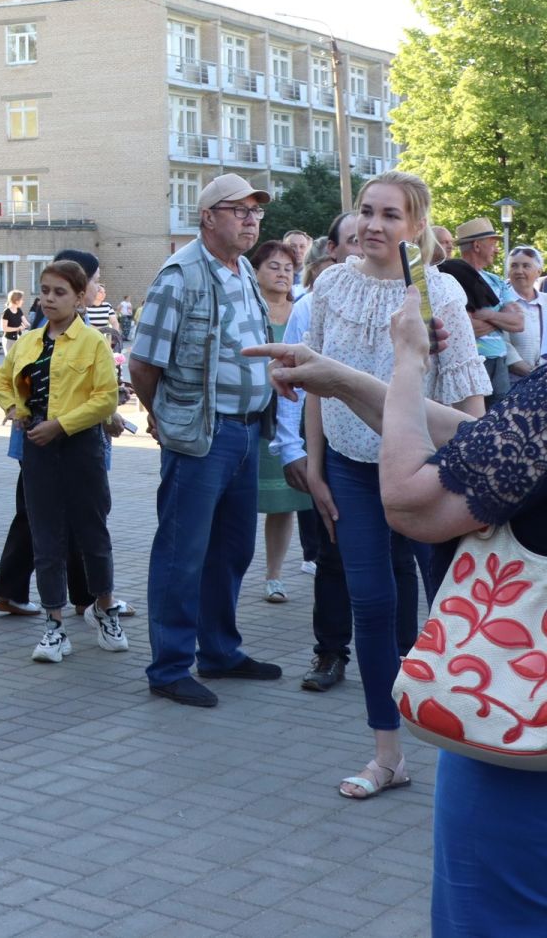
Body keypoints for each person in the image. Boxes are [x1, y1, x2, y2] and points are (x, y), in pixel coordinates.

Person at [251, 294, 547, 934]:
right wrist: (347, 381)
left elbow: (415, 502)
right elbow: (487, 450)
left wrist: (409, 359)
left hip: (523, 733)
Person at [300, 172, 487, 799]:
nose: (374, 226)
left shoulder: (436, 294)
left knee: (448, 606)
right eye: (366, 212)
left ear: (415, 226)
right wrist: (315, 468)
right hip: (353, 470)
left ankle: (476, 747)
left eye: (390, 216)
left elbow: (465, 387)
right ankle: (387, 754)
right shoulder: (331, 285)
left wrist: (487, 479)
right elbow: (317, 384)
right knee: (372, 606)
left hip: (424, 470)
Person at [129, 173, 284, 708]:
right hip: (203, 436)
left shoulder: (242, 269)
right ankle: (169, 667)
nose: (250, 219)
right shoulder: (180, 275)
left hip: (244, 433)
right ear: (207, 217)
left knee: (232, 550)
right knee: (182, 553)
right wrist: (163, 417)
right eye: (238, 210)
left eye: (255, 212)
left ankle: (219, 651)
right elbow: (144, 362)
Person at [0, 260, 125, 663]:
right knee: (46, 536)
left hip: (80, 445)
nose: (49, 299)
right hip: (37, 447)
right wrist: (15, 408)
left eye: (60, 292)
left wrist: (62, 426)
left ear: (80, 298)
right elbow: (0, 380)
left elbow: (105, 398)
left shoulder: (94, 343)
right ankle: (54, 626)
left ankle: (104, 608)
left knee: (92, 533)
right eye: (45, 291)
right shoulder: (29, 341)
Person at [277, 210, 361, 693]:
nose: (363, 244)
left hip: (397, 451)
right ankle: (330, 653)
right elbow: (293, 379)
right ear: (333, 250)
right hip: (331, 450)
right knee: (332, 556)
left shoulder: (413, 298)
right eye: (352, 239)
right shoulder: (315, 303)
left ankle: (403, 655)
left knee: (398, 560)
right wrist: (294, 450)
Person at [250, 239, 310, 602]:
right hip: (251, 413)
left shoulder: (302, 312)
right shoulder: (248, 311)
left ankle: (274, 575)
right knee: (243, 498)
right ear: (255, 271)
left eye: (289, 268)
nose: (283, 273)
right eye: (274, 266)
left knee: (284, 501)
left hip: (289, 415)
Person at [453, 217, 524, 400]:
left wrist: (486, 314)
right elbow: (464, 328)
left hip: (499, 362)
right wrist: (500, 318)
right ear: (477, 246)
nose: (497, 249)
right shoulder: (451, 278)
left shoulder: (497, 281)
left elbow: (518, 323)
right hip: (470, 362)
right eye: (492, 244)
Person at [508, 245, 545, 374]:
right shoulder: (501, 303)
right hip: (513, 382)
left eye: (526, 266)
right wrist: (530, 373)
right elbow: (503, 343)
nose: (519, 271)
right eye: (514, 266)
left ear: (538, 272)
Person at [281, 229, 313, 298]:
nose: (298, 250)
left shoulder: (314, 275)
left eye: (302, 246)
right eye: (292, 246)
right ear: (283, 247)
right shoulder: (275, 274)